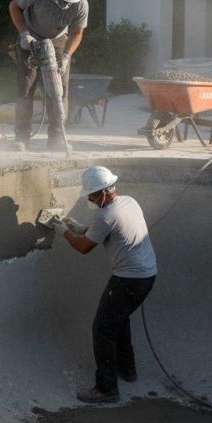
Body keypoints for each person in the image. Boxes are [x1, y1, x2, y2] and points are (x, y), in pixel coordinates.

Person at [53, 166, 157, 404]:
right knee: (119, 319)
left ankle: (106, 388)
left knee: (103, 329)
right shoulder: (129, 202)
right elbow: (112, 229)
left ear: (103, 192)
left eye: (91, 195)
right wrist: (81, 228)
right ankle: (127, 370)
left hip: (128, 280)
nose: (90, 199)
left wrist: (64, 232)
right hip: (147, 275)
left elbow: (83, 248)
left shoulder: (105, 215)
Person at [8, 0, 88, 151]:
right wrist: (24, 34)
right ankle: (21, 138)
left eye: (69, 1)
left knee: (59, 91)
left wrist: (67, 55)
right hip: (31, 39)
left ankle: (57, 140)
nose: (66, 3)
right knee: (25, 87)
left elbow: (77, 32)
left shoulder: (81, 4)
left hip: (58, 41)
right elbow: (14, 6)